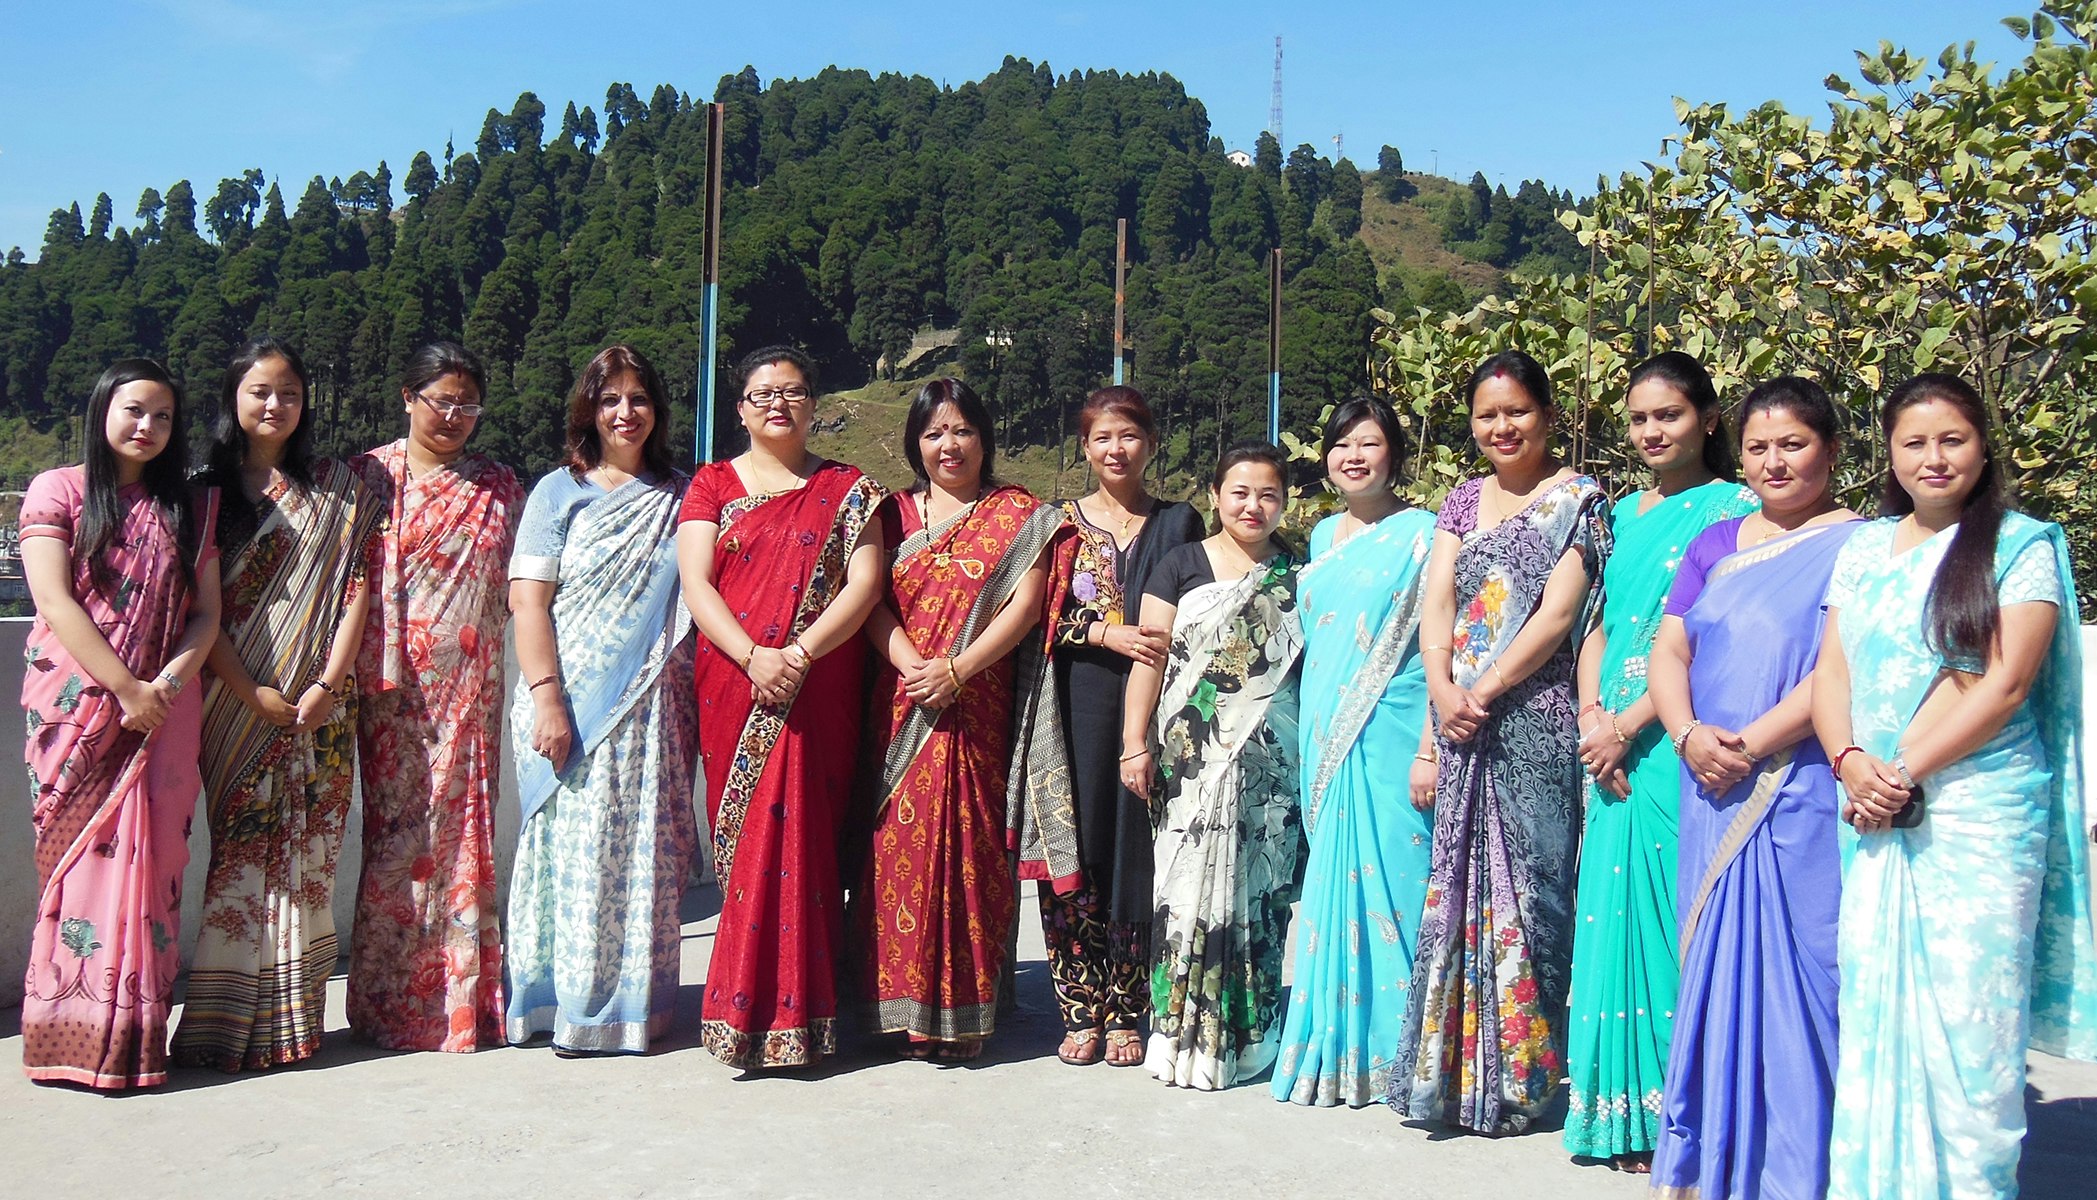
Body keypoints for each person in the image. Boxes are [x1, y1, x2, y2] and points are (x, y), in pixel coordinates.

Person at [1814, 373, 2097, 1199]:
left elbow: (2005, 683)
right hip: (1869, 808)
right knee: (1876, 1019)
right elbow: (1830, 671)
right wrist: (1849, 762)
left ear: (1981, 445)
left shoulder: (2022, 544)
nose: (1933, 458)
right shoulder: (1863, 548)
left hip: (1975, 815)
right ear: (1889, 453)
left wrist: (1899, 773)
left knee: (1972, 1034)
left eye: (1952, 439)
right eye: (1914, 442)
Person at [1645, 377, 1861, 1198]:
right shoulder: (1716, 542)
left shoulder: (1863, 544)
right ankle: (1715, 1162)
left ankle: (1800, 1169)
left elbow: (1836, 670)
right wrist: (1689, 735)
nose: (1775, 462)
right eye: (1759, 447)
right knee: (1713, 968)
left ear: (1831, 452)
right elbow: (1671, 652)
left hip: (1798, 787)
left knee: (1808, 972)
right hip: (1706, 784)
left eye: (1793, 444)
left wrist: (1749, 744)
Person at [1389, 350, 1610, 1134]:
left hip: (1534, 720)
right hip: (1459, 723)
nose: (1502, 426)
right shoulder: (1458, 501)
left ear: (1547, 415)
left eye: (1516, 411)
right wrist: (1443, 690)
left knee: (1535, 893)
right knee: (1455, 889)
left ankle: (1521, 1079)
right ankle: (1446, 1078)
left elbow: (1559, 614)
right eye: (1487, 415)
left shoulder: (1580, 499)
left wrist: (1480, 691)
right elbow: (1437, 600)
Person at [1564, 352, 1757, 1168]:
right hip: (1604, 736)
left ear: (1709, 420)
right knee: (1611, 920)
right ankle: (1619, 1115)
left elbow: (1706, 635)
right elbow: (1596, 623)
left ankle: (1683, 1112)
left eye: (1668, 416)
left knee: (1672, 919)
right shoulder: (1620, 513)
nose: (1651, 431)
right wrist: (1590, 716)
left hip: (1675, 736)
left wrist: (1633, 725)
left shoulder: (1738, 510)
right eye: (1639, 418)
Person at [171, 337, 380, 1072]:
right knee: (238, 859)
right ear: (234, 398)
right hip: (235, 703)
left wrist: (326, 682)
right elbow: (201, 610)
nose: (275, 405)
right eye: (260, 391)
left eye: (289, 392)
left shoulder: (337, 490)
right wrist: (248, 688)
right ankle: (223, 1025)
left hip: (322, 705)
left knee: (311, 860)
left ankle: (294, 1023)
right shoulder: (202, 493)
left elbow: (357, 588)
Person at [678, 346, 888, 1070]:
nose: (778, 403)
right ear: (739, 407)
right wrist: (752, 655)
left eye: (793, 391)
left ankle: (812, 1014)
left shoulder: (849, 487)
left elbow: (864, 586)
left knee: (810, 843)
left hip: (817, 681)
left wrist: (797, 654)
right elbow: (698, 584)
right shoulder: (711, 484)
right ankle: (741, 1012)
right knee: (748, 847)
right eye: (763, 392)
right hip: (736, 682)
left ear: (813, 403)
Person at [849, 378, 1068, 1062]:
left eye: (962, 431)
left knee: (970, 851)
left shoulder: (1018, 514)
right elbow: (871, 601)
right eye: (934, 433)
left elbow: (1026, 605)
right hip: (902, 698)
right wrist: (919, 664)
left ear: (984, 438)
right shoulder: (891, 517)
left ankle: (961, 1014)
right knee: (892, 852)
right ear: (915, 442)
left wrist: (958, 669)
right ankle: (890, 1010)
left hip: (975, 707)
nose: (949, 445)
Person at [19, 359, 221, 1088]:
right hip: (79, 707)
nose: (147, 427)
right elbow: (54, 600)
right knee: (82, 864)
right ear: (103, 408)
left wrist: (162, 683)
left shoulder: (187, 508)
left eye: (163, 417)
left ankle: (137, 1041)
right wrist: (125, 686)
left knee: (157, 863)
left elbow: (204, 613)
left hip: (166, 707)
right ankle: (72, 1035)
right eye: (135, 410)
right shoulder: (58, 489)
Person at [503, 345, 696, 1055]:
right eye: (609, 398)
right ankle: (562, 1003)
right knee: (570, 851)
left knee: (636, 852)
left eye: (638, 398)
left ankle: (631, 1005)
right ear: (588, 409)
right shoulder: (559, 491)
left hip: (650, 711)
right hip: (571, 704)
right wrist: (548, 700)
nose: (624, 412)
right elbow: (529, 601)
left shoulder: (684, 495)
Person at [347, 341, 523, 1053]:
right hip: (389, 694)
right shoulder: (367, 477)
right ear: (407, 397)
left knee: (464, 843)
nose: (452, 416)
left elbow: (524, 587)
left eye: (466, 405)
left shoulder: (498, 484)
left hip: (470, 694)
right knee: (395, 840)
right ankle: (388, 1005)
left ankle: (459, 1004)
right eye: (439, 400)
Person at [1271, 398, 1438, 1107]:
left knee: (1399, 885)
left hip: (1395, 731)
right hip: (1325, 731)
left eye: (1368, 444)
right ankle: (1335, 1044)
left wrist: (1431, 743)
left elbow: (1442, 649)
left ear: (1394, 454)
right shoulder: (1320, 540)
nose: (1353, 457)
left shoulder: (1427, 534)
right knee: (1331, 888)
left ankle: (1400, 1050)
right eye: (1341, 445)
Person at [1123, 440, 1304, 1091]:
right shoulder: (1180, 564)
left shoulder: (1294, 572)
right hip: (1189, 759)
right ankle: (1179, 1037)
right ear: (1214, 496)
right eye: (1239, 492)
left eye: (1267, 494)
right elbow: (1149, 658)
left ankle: (1248, 1036)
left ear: (1284, 501)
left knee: (1260, 897)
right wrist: (1132, 742)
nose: (1252, 505)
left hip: (1269, 768)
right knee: (1183, 892)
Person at [1039, 386, 1202, 1068]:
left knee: (1139, 861)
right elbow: (1034, 619)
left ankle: (1129, 1011)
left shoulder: (1180, 521)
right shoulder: (1060, 525)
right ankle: (1079, 1010)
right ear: (1084, 447)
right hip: (1076, 711)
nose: (1116, 449)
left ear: (1150, 444)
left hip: (1156, 718)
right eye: (1103, 437)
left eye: (1129, 436)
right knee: (1077, 859)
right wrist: (1105, 633)